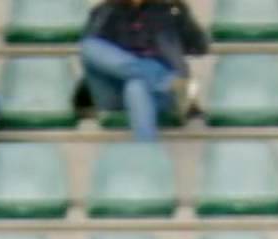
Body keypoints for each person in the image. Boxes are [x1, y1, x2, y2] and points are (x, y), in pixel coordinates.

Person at [76, 0, 205, 141]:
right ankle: (167, 81)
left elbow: (199, 48)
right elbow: (92, 54)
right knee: (89, 47)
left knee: (136, 86)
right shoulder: (105, 11)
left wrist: (182, 11)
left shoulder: (168, 11)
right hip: (113, 90)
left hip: (158, 94)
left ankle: (147, 156)